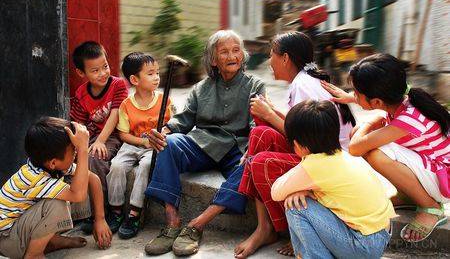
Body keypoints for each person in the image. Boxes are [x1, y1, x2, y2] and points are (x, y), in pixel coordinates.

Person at [143, 30, 266, 256]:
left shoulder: (255, 85)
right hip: (203, 143)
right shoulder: (202, 87)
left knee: (253, 162)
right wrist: (164, 131)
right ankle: (172, 223)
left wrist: (250, 149)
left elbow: (256, 125)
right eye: (225, 51)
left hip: (237, 148)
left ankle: (196, 225)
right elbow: (184, 120)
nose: (232, 56)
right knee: (168, 143)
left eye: (236, 50)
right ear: (213, 59)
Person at [235, 31, 355, 258]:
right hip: (316, 150)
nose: (270, 61)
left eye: (272, 54)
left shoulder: (303, 86)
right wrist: (271, 112)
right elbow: (298, 125)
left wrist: (270, 115)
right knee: (260, 133)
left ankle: (294, 231)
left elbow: (308, 143)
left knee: (261, 161)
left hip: (326, 161)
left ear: (285, 58)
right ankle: (264, 227)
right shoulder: (304, 81)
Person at [321, 53, 449, 243]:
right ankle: (408, 196)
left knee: (375, 152)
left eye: (356, 93)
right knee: (365, 138)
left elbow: (356, 148)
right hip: (435, 169)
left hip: (443, 180)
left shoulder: (407, 120)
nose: (353, 95)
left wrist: (370, 121)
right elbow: (374, 110)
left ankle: (430, 207)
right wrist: (351, 99)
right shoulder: (404, 99)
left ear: (377, 102)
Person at [271, 100, 395, 259]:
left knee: (295, 206)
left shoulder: (315, 165)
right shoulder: (344, 156)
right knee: (303, 199)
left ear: (298, 145)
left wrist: (298, 190)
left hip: (363, 246)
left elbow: (276, 192)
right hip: (380, 237)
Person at [0, 117, 112, 259]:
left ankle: (51, 242)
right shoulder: (34, 178)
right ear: (53, 162)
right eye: (73, 150)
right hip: (6, 239)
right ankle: (34, 254)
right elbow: (79, 195)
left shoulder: (50, 164)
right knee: (56, 203)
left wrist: (100, 220)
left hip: (18, 229)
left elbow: (93, 179)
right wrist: (83, 149)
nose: (76, 153)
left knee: (79, 180)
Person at [106, 52, 172, 239]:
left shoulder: (163, 100)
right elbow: (124, 134)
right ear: (134, 79)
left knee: (145, 166)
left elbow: (172, 126)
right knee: (117, 166)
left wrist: (162, 134)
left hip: (153, 146)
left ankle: (134, 213)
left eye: (157, 72)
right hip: (133, 143)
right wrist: (143, 141)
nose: (157, 77)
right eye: (150, 73)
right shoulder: (127, 104)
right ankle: (116, 210)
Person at [70, 41, 128, 231]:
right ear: (81, 73)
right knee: (77, 161)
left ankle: (104, 211)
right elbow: (78, 124)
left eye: (105, 66)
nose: (103, 73)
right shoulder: (81, 94)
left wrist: (101, 141)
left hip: (114, 135)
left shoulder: (118, 85)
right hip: (92, 136)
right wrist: (78, 147)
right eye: (95, 70)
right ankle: (85, 214)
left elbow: (116, 114)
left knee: (96, 158)